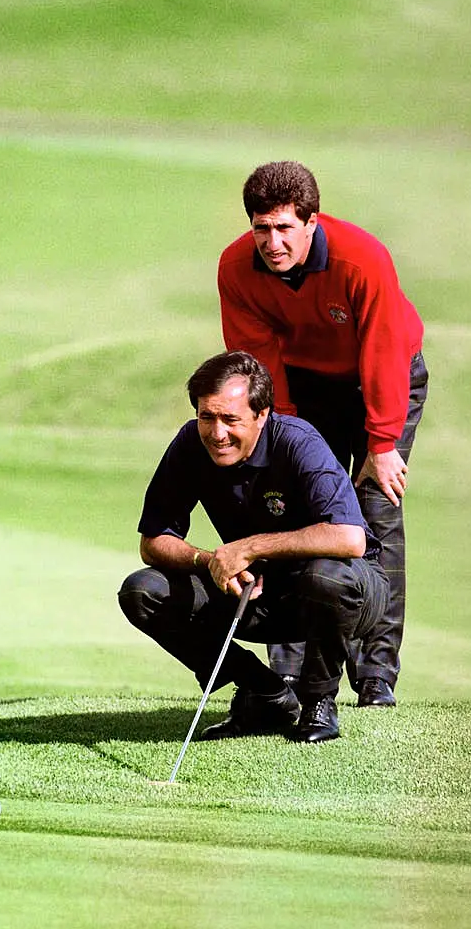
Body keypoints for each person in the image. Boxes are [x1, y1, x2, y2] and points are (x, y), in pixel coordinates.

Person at [218, 161, 428, 708]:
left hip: (382, 381)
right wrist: (281, 437)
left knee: (375, 512)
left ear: (311, 220)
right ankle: (293, 673)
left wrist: (382, 444)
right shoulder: (237, 268)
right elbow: (257, 363)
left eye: (285, 227)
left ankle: (376, 674)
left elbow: (385, 352)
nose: (272, 241)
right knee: (300, 514)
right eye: (262, 228)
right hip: (306, 391)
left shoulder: (362, 259)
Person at [118, 351, 389, 743]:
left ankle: (318, 699)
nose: (217, 432)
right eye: (206, 417)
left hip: (348, 593)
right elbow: (154, 541)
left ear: (262, 415)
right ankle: (263, 691)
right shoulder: (190, 444)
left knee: (325, 577)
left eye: (230, 419)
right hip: (254, 593)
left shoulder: (298, 442)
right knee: (143, 591)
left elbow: (349, 538)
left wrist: (249, 547)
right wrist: (209, 560)